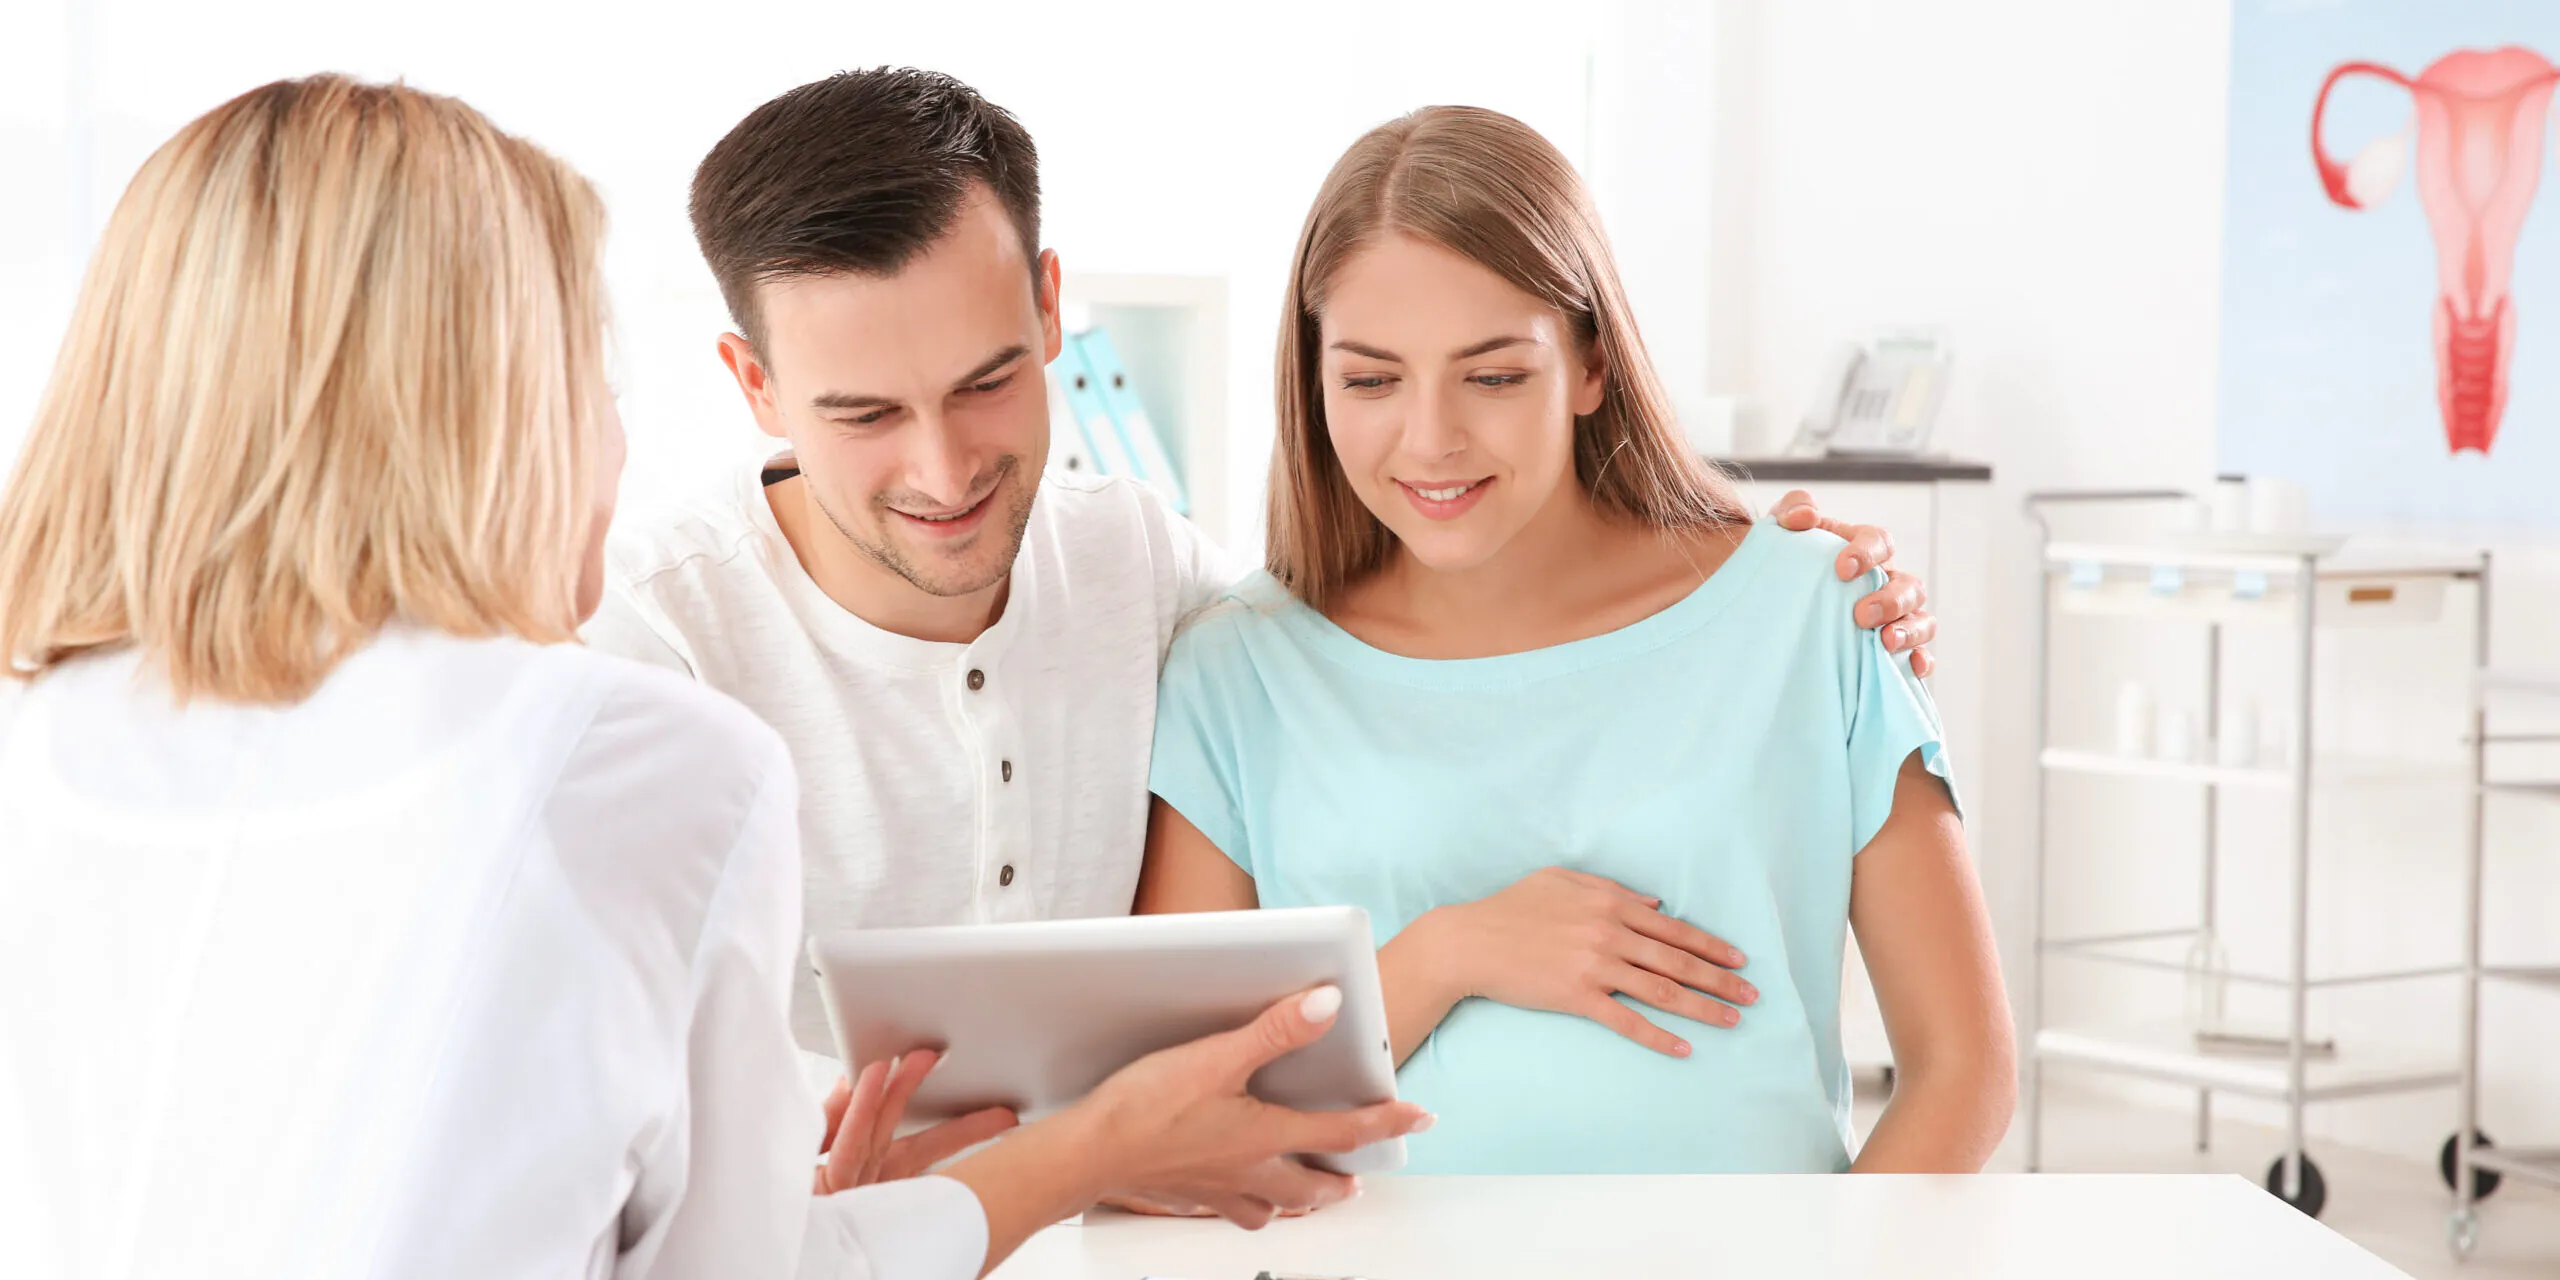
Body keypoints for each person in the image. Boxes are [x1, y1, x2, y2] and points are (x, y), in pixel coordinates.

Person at [0, 75, 1426, 1280]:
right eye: (583, 378)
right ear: (471, 417)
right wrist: (1092, 1149)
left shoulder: (64, 742)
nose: (615, 444)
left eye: (984, 383)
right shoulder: (629, 741)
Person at [584, 68, 1944, 1061]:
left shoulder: (1149, 574)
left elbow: (1389, 641)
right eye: (865, 415)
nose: (942, 472)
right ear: (754, 385)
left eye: (988, 382)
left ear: (1054, 308)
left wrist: (1818, 590)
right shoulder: (646, 653)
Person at [1136, 106, 2015, 1176]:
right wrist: (1446, 954)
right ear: (1313, 381)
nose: (1430, 438)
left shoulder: (1811, 613)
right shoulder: (1237, 671)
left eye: (1494, 374)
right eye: (1370, 379)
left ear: (1591, 364)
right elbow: (1179, 1118)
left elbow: (1963, 1067)